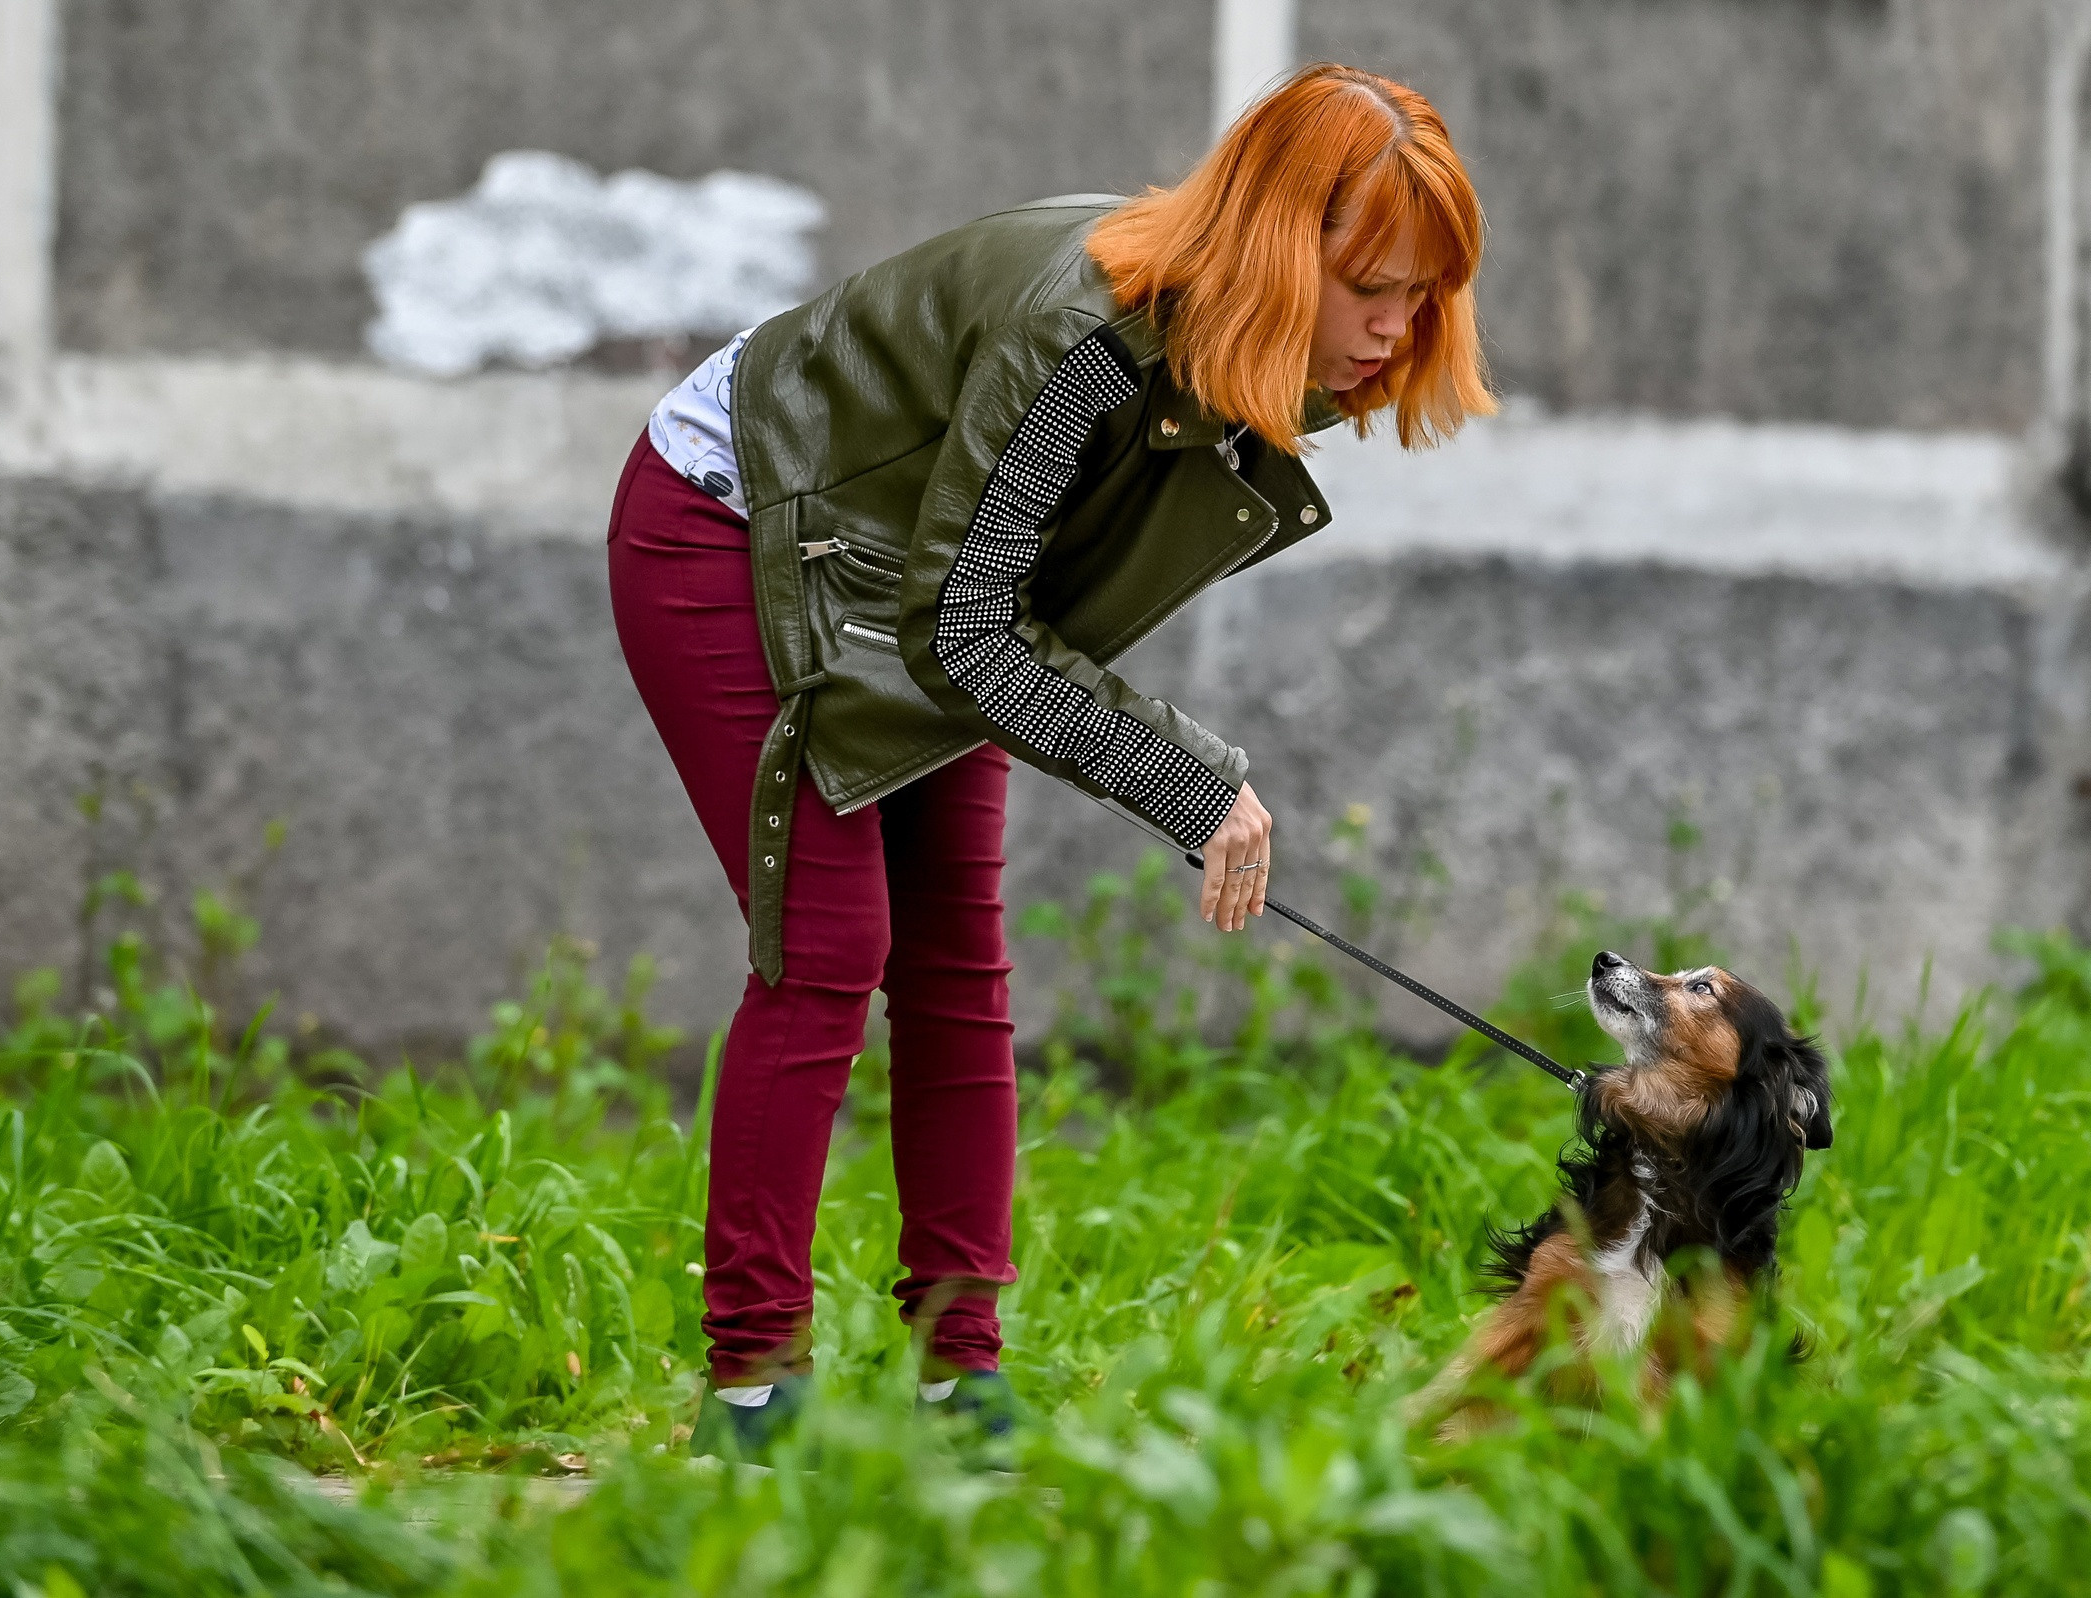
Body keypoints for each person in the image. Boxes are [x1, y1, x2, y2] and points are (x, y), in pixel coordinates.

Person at [607, 62, 1492, 1463]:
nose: (1397, 325)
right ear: (1278, 243)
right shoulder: (1081, 340)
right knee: (832, 944)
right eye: (1373, 282)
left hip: (915, 571)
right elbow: (967, 630)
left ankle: (963, 1384)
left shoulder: (1219, 349)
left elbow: (972, 603)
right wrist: (1191, 781)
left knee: (957, 957)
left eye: (1424, 293)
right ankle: (752, 1391)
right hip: (736, 522)